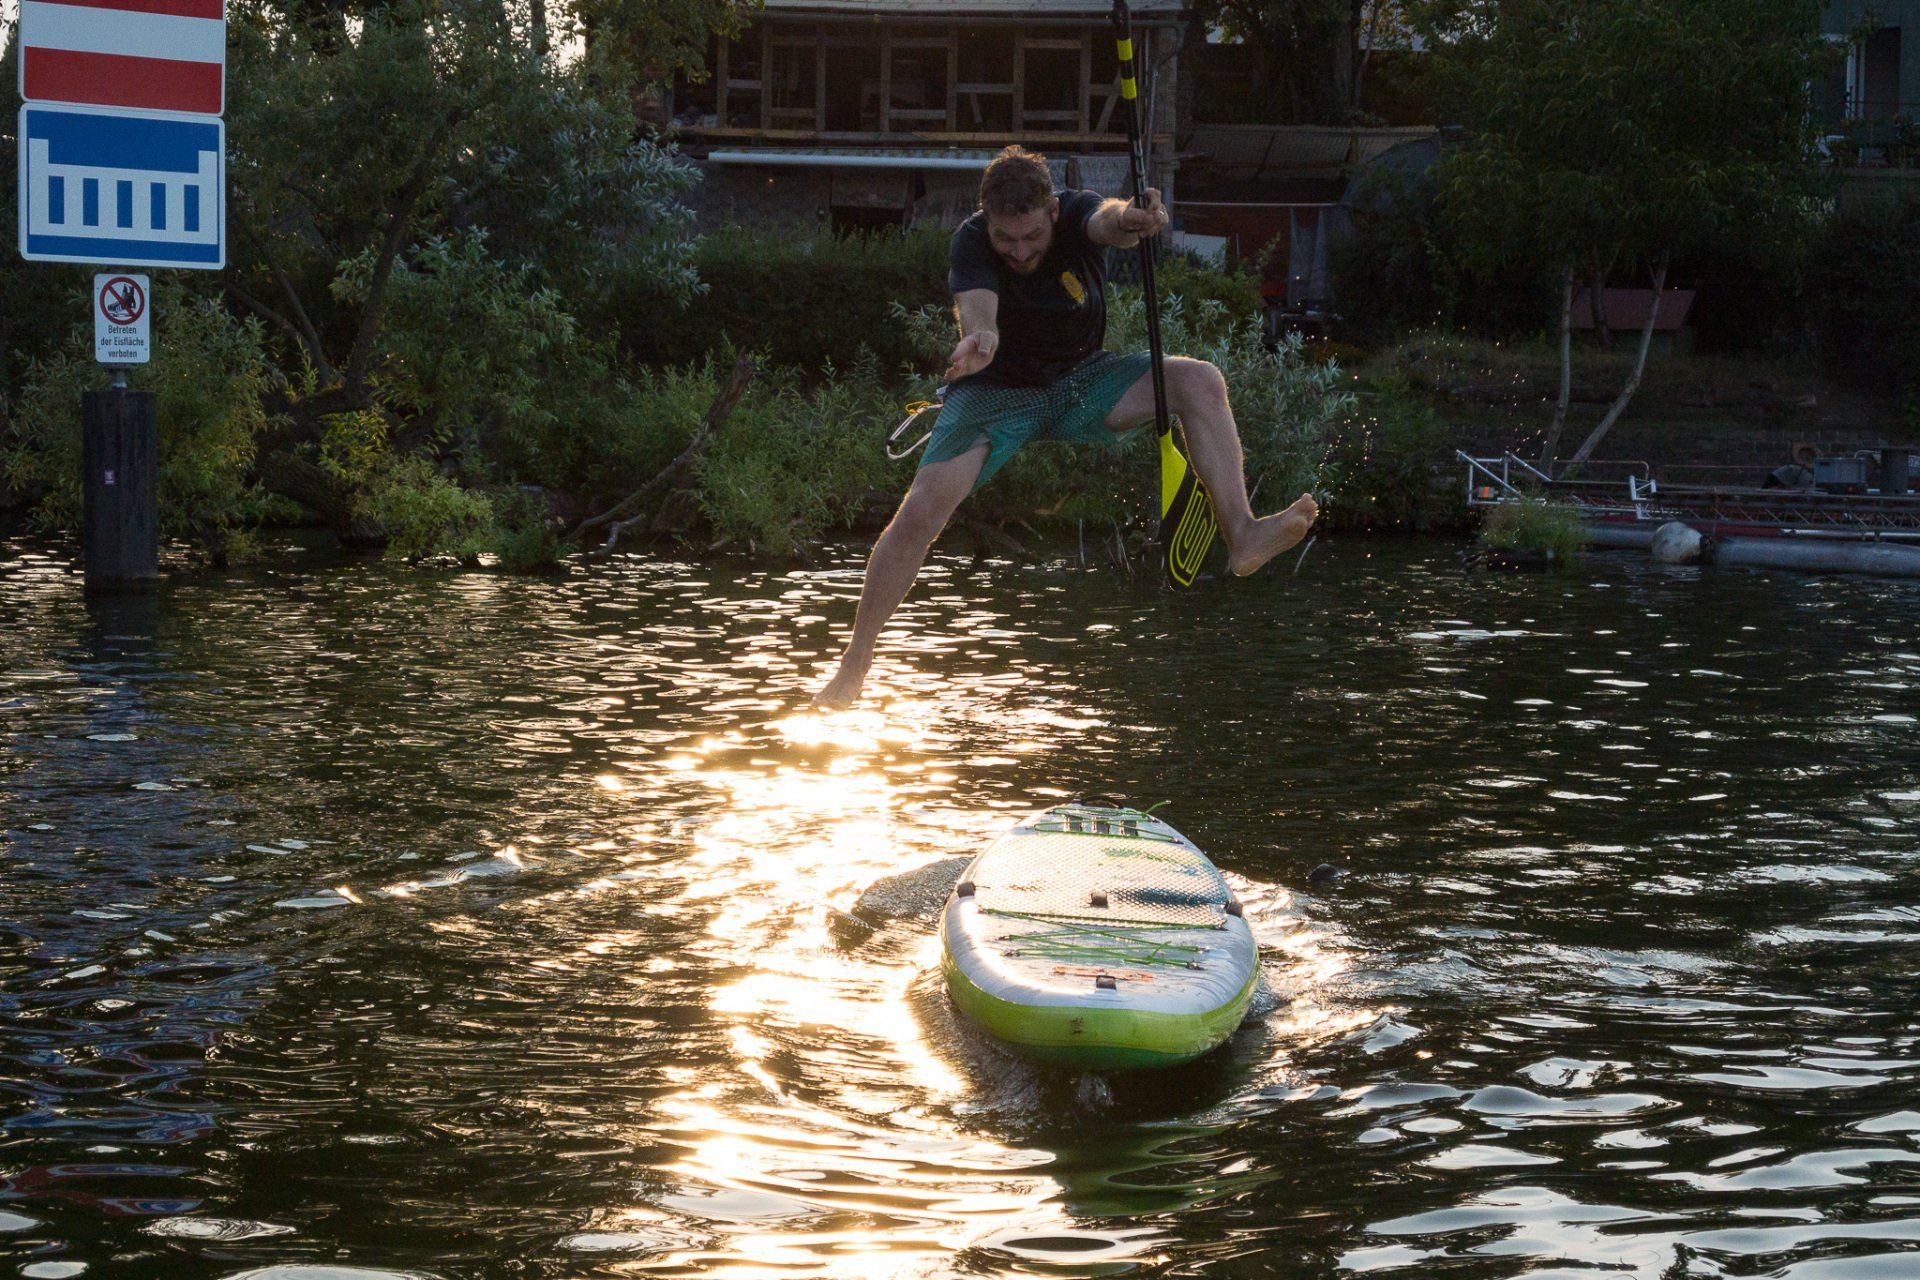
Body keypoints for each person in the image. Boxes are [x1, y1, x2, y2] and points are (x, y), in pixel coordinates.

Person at [813, 145, 1318, 710]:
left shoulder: (1076, 213)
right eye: (1008, 239)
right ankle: (854, 666)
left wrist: (1132, 219)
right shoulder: (972, 240)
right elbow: (978, 311)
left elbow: (1109, 223)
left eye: (1031, 236)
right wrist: (980, 339)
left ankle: (1242, 533)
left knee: (1199, 381)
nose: (1020, 251)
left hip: (1081, 383)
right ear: (988, 221)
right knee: (918, 515)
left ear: (1052, 211)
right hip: (994, 394)